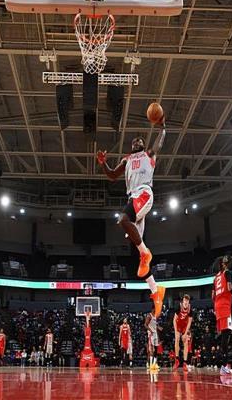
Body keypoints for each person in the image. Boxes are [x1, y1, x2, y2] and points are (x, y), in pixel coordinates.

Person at [97, 119, 167, 317]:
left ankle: (146, 253)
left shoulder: (149, 154)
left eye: (140, 140)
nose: (137, 142)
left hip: (143, 193)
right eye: (134, 141)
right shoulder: (126, 159)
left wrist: (162, 127)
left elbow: (159, 143)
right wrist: (103, 163)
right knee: (141, 265)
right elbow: (112, 175)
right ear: (131, 146)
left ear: (143, 145)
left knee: (123, 220)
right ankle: (156, 291)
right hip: (133, 198)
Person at [212, 255, 232, 375]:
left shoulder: (215, 278)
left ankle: (224, 365)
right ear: (226, 264)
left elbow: (212, 295)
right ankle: (224, 365)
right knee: (226, 336)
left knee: (224, 336)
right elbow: (230, 288)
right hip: (225, 306)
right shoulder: (228, 273)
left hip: (217, 306)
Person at [173, 294, 193, 371]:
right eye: (185, 300)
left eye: (187, 301)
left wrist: (185, 333)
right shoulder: (179, 307)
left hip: (185, 325)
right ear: (183, 301)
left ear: (188, 302)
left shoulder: (190, 309)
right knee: (177, 339)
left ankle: (185, 363)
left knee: (186, 342)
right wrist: (175, 331)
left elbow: (189, 322)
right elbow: (174, 320)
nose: (186, 302)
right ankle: (177, 360)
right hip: (178, 324)